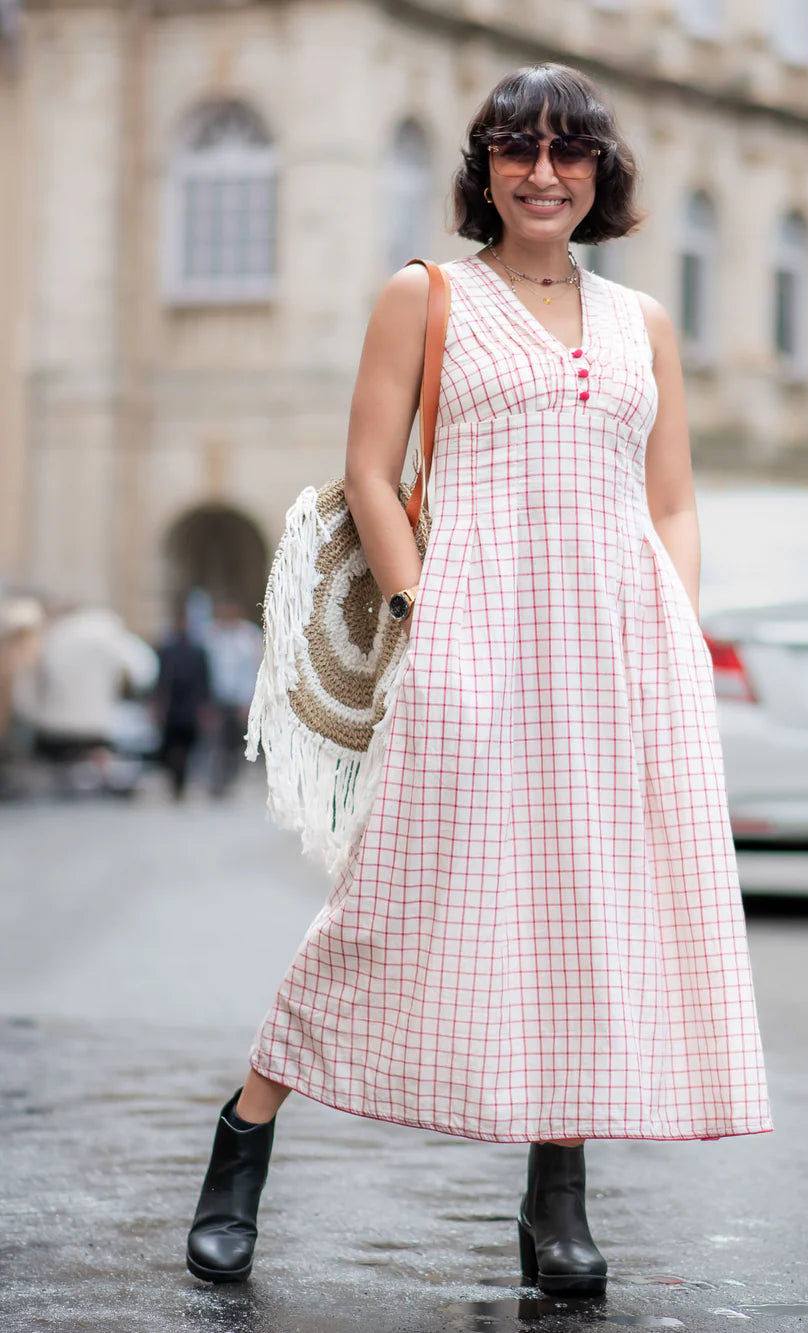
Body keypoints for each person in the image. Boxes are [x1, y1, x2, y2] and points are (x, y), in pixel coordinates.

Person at [186, 63, 773, 1297]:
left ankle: (555, 1202)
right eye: (519, 149)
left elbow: (669, 497)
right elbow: (367, 470)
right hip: (473, 641)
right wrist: (423, 609)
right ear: (485, 168)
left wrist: (675, 625)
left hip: (619, 656)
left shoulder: (642, 326)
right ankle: (241, 1148)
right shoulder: (427, 296)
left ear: (601, 172)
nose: (544, 172)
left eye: (569, 151)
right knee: (387, 901)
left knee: (582, 918)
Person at [14, 594, 159, 795]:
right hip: (96, 720)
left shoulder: (56, 634)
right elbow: (143, 669)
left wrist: (34, 713)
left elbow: (29, 685)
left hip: (56, 720)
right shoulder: (105, 632)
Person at [201, 598, 263, 798]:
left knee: (234, 741)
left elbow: (257, 669)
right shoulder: (211, 635)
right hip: (216, 698)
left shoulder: (249, 636)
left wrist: (251, 700)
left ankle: (229, 778)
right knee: (214, 740)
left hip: (240, 700)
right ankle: (215, 780)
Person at [153, 603, 211, 801]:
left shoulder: (198, 650)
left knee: (187, 745)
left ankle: (182, 781)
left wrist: (204, 706)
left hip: (190, 705)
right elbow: (160, 679)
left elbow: (205, 680)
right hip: (172, 705)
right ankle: (175, 782)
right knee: (171, 745)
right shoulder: (166, 649)